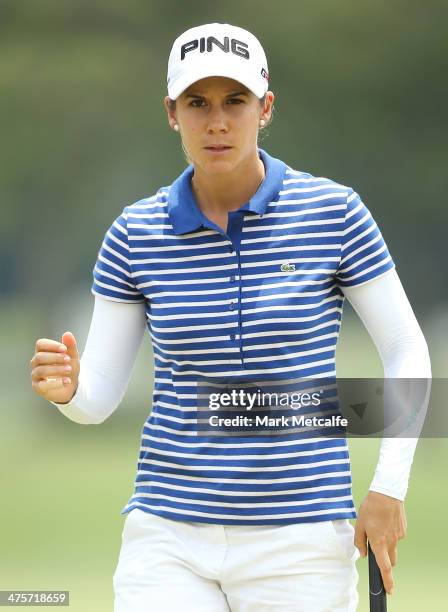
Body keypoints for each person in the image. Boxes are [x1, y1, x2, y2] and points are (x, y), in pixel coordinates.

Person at [30, 22, 431, 612]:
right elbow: (100, 398)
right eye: (198, 103)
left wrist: (388, 488)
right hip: (167, 533)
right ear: (172, 112)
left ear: (265, 107)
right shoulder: (134, 234)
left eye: (235, 101)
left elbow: (406, 350)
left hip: (300, 536)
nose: (216, 122)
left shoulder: (335, 213)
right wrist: (70, 391)